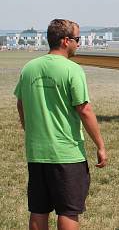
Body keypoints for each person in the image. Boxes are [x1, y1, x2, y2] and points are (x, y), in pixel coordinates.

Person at [14, 19, 108, 230]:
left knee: (38, 209)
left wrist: (27, 128)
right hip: (67, 154)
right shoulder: (72, 70)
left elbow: (20, 103)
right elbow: (84, 110)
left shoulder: (29, 68)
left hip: (36, 152)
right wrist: (100, 145)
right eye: (77, 39)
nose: (79, 44)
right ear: (66, 41)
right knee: (68, 210)